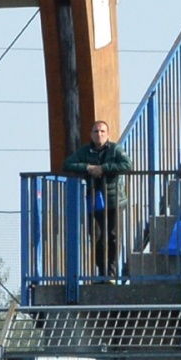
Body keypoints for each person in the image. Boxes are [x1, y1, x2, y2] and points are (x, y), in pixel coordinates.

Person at [60, 118, 131, 282]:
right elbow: (68, 164)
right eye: (96, 131)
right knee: (97, 236)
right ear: (91, 134)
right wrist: (88, 168)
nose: (99, 134)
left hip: (115, 200)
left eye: (102, 131)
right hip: (95, 199)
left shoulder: (115, 149)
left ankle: (111, 273)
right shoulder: (85, 151)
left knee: (113, 236)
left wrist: (103, 169)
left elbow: (127, 165)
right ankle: (102, 273)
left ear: (108, 134)